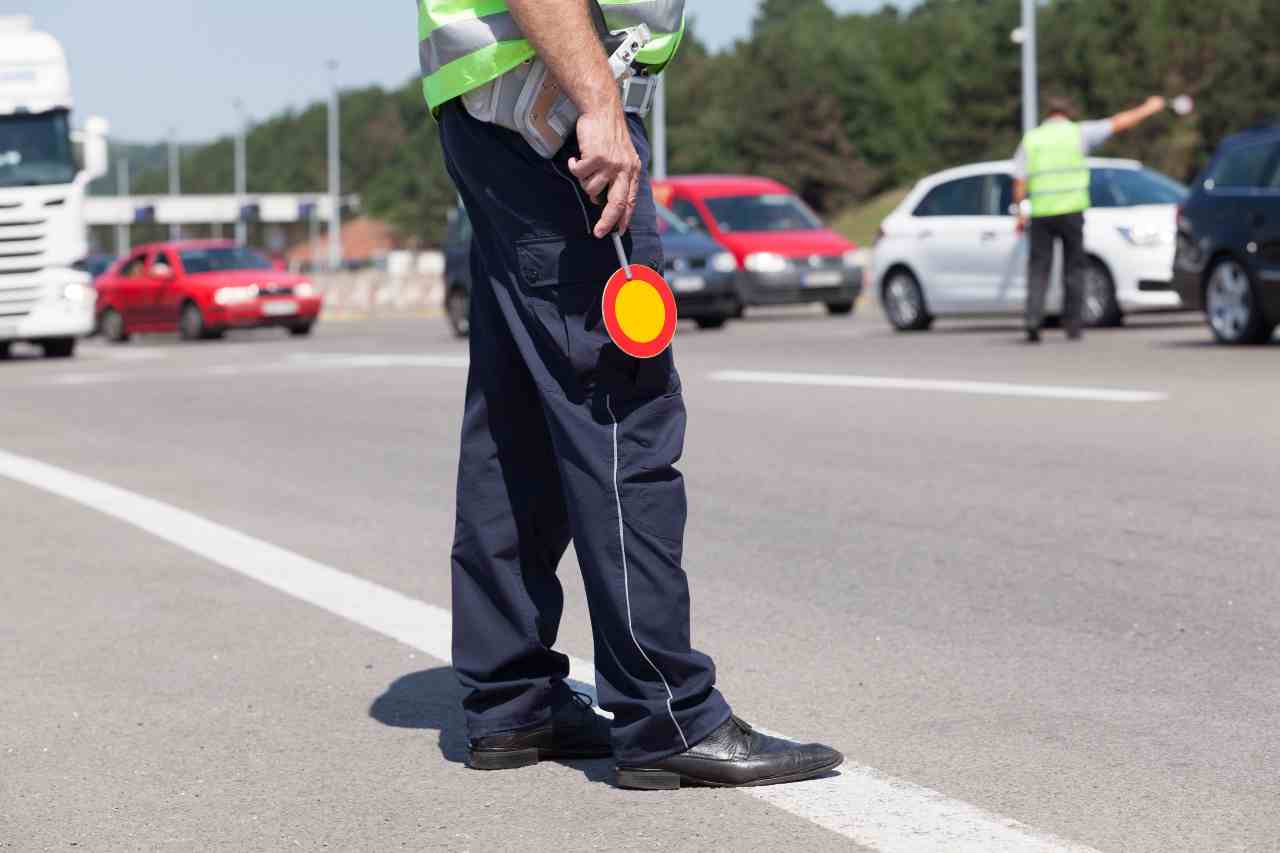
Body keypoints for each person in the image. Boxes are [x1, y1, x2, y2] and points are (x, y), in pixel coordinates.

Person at [417, 0, 842, 790]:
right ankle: (667, 711)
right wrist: (601, 107)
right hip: (557, 106)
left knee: (517, 419)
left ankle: (513, 697)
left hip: (502, 102)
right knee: (620, 404)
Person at [1013, 94, 1167, 342]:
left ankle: (1033, 320)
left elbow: (1019, 179)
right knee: (1074, 269)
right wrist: (1148, 108)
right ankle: (1073, 324)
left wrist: (1020, 211)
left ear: (1048, 115)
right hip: (1072, 211)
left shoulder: (1032, 139)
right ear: (1067, 114)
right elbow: (1118, 123)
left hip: (1041, 213)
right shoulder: (1078, 133)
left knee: (1038, 269)